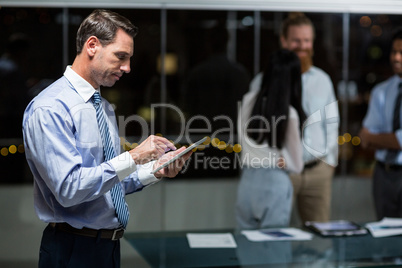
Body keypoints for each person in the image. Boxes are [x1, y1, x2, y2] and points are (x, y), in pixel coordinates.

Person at [22, 9, 192, 268]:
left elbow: (108, 184)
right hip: (72, 250)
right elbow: (70, 190)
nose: (127, 68)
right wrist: (134, 156)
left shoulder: (102, 107)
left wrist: (156, 171)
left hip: (108, 248)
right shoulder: (50, 108)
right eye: (121, 57)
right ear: (92, 45)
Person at [236, 49, 306, 229]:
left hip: (247, 180)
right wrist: (282, 161)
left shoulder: (248, 100)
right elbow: (297, 165)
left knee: (246, 248)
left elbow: (242, 142)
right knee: (274, 250)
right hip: (275, 182)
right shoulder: (289, 113)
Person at [280, 12, 339, 223]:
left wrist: (329, 163)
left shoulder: (323, 80)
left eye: (307, 40)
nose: (302, 46)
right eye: (296, 40)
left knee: (320, 243)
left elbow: (332, 124)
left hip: (317, 173)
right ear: (284, 41)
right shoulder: (267, 81)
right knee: (275, 236)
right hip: (282, 173)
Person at [359, 28, 402, 220]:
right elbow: (364, 138)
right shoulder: (381, 91)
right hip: (383, 175)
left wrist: (378, 138)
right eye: (394, 52)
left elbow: (400, 141)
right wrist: (391, 139)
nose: (396, 58)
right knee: (384, 241)